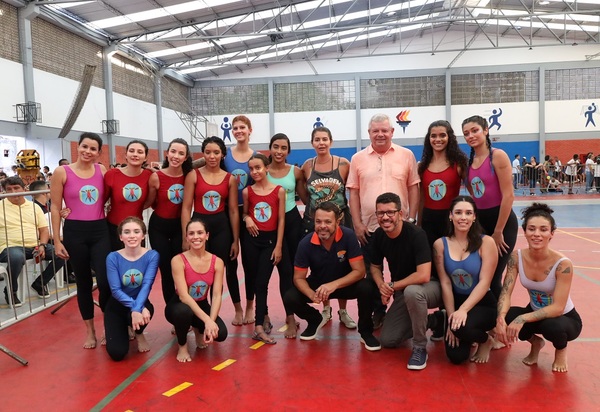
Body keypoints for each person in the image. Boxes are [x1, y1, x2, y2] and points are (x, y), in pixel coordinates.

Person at [347, 113, 420, 329]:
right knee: (371, 274)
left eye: (384, 130)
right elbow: (353, 193)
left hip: (401, 228)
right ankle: (377, 313)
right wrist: (357, 224)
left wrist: (412, 218)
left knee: (402, 273)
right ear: (369, 133)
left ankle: (401, 312)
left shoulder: (406, 155)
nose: (380, 134)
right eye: (375, 131)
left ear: (392, 132)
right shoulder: (357, 159)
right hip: (369, 228)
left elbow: (413, 187)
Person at [495, 203, 582, 372]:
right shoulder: (516, 257)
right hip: (535, 313)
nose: (537, 234)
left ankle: (561, 350)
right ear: (525, 232)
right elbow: (506, 292)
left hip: (564, 318)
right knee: (504, 315)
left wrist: (522, 319)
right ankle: (535, 342)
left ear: (551, 234)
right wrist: (501, 317)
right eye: (531, 229)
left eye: (543, 229)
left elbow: (557, 308)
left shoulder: (562, 264)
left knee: (552, 326)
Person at [283, 201, 380, 350]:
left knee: (367, 287)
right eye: (318, 221)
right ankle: (314, 320)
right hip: (319, 286)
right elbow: (298, 278)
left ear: (337, 222)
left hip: (343, 285)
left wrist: (333, 285)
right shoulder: (305, 243)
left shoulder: (348, 236)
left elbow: (359, 271)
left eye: (328, 222)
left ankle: (366, 332)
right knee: (290, 296)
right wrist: (311, 294)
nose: (322, 226)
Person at [50, 132, 111, 348]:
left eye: (93, 149)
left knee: (105, 282)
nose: (87, 151)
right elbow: (56, 206)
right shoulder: (61, 172)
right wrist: (57, 240)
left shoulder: (101, 170)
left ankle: (109, 326)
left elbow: (110, 196)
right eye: (84, 147)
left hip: (100, 230)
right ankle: (90, 331)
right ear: (78, 147)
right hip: (75, 232)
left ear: (98, 152)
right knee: (83, 283)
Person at [370, 192, 441, 370]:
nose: (385, 217)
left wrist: (392, 287)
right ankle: (436, 321)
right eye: (380, 213)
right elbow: (375, 267)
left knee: (412, 291)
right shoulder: (379, 235)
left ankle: (419, 347)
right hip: (404, 290)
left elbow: (423, 275)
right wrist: (382, 286)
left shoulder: (416, 234)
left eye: (390, 212)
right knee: (388, 339)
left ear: (400, 214)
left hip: (431, 286)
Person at [181, 136, 240, 326]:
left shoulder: (229, 178)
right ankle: (196, 313)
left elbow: (232, 210)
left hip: (222, 229)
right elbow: (186, 207)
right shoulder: (193, 175)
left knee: (226, 271)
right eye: (208, 152)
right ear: (203, 154)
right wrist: (185, 236)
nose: (212, 156)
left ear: (223, 154)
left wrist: (235, 240)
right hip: (199, 229)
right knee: (196, 270)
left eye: (216, 152)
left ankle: (231, 310)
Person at [301, 126, 356, 329]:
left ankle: (343, 310)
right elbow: (305, 195)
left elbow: (352, 190)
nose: (321, 143)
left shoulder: (343, 164)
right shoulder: (307, 166)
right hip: (318, 223)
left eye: (325, 139)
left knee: (343, 264)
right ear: (312, 142)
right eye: (317, 139)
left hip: (341, 220)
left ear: (331, 142)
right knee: (321, 264)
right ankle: (326, 309)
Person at [433, 196, 498, 364]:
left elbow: (485, 282)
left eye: (468, 213)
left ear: (474, 217)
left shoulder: (487, 242)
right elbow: (446, 283)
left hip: (482, 303)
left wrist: (462, 311)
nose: (463, 217)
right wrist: (451, 315)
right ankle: (451, 323)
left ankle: (486, 340)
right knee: (457, 357)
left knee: (461, 327)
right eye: (458, 212)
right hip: (456, 301)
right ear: (450, 216)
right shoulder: (440, 245)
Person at [463, 115, 518, 299]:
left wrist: (498, 231)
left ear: (486, 130)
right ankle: (489, 315)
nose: (471, 136)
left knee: (494, 276)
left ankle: (500, 317)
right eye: (466, 133)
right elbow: (475, 196)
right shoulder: (469, 163)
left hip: (501, 225)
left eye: (475, 130)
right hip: (481, 224)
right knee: (481, 274)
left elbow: (508, 196)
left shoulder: (498, 156)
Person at [242, 153, 290, 344]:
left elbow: (281, 219)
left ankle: (259, 324)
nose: (255, 172)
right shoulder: (247, 192)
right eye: (251, 169)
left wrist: (278, 246)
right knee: (255, 282)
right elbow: (244, 212)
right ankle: (262, 321)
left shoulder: (278, 191)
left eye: (258, 168)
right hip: (252, 241)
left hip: (270, 242)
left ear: (267, 168)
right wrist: (247, 218)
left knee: (262, 282)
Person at [165, 217, 228, 362]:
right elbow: (184, 297)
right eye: (191, 234)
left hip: (202, 303)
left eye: (200, 233)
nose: (196, 237)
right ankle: (182, 346)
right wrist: (207, 320)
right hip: (179, 306)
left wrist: (210, 323)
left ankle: (198, 328)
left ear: (207, 236)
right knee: (183, 312)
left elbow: (217, 295)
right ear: (186, 237)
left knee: (221, 333)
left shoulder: (217, 262)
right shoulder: (178, 260)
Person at [267, 133, 309, 337]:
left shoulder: (296, 172)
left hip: (292, 223)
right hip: (270, 224)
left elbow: (306, 200)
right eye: (276, 147)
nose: (279, 151)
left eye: (284, 148)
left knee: (292, 272)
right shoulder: (262, 172)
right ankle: (289, 317)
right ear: (270, 148)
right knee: (281, 271)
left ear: (288, 151)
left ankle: (291, 315)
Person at [0, 177, 65, 305]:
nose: (13, 192)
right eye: (9, 189)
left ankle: (40, 283)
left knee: (61, 253)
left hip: (34, 245)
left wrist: (42, 245)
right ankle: (11, 291)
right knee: (16, 257)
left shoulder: (34, 207)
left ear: (24, 189)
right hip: (9, 248)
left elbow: (44, 230)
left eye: (16, 188)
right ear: (4, 191)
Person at [104, 217, 159, 361]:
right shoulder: (112, 257)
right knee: (117, 353)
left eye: (136, 231)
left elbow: (147, 284)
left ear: (143, 235)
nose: (132, 235)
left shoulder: (152, 256)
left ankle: (138, 333)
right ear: (121, 237)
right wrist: (136, 308)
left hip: (140, 302)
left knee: (147, 311)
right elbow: (115, 290)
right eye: (127, 232)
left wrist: (138, 308)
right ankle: (121, 328)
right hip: (117, 306)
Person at [146, 138, 192, 305]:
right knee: (166, 271)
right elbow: (150, 202)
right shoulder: (156, 177)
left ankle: (185, 309)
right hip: (159, 227)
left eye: (181, 153)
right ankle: (173, 312)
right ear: (167, 153)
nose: (176, 156)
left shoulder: (189, 176)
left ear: (186, 157)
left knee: (181, 270)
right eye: (173, 151)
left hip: (180, 227)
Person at [223, 115, 256, 325]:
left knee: (250, 263)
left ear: (250, 130)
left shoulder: (257, 157)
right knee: (231, 263)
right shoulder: (225, 157)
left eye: (242, 127)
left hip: (250, 215)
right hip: (228, 213)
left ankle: (251, 305)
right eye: (235, 128)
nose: (238, 130)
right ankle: (237, 307)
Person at [104, 140, 153, 250]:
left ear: (145, 157)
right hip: (114, 229)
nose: (135, 154)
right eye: (132, 151)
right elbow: (100, 201)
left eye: (140, 152)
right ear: (126, 155)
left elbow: (150, 201)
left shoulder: (150, 175)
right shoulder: (112, 174)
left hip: (136, 230)